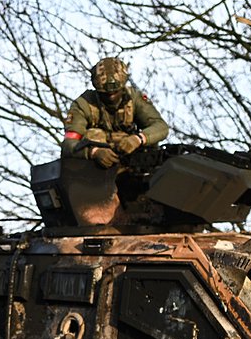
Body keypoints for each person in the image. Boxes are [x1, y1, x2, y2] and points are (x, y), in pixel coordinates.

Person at [60, 57, 170, 224]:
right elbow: (69, 144)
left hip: (131, 166)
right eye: (106, 94)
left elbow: (160, 127)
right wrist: (94, 152)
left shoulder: (134, 98)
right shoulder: (84, 104)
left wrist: (138, 139)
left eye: (115, 91)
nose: (111, 97)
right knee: (94, 135)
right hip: (96, 178)